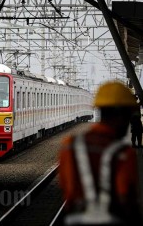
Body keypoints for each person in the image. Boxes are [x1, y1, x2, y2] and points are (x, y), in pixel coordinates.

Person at [58, 80, 142, 225]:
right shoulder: (124, 153)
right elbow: (125, 197)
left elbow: (67, 189)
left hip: (74, 219)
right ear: (120, 114)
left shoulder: (69, 146)